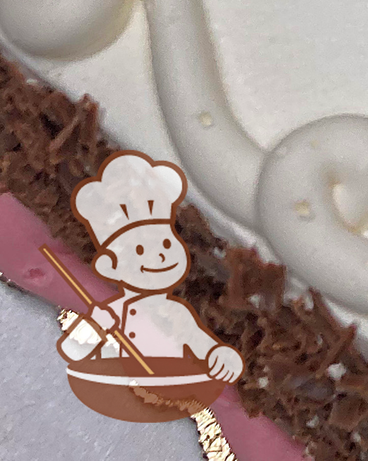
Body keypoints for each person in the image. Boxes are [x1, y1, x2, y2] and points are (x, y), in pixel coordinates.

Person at [57, 150, 242, 382]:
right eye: (140, 250)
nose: (161, 257)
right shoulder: (112, 306)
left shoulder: (178, 311)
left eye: (166, 243)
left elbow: (203, 343)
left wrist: (222, 356)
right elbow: (75, 345)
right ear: (109, 267)